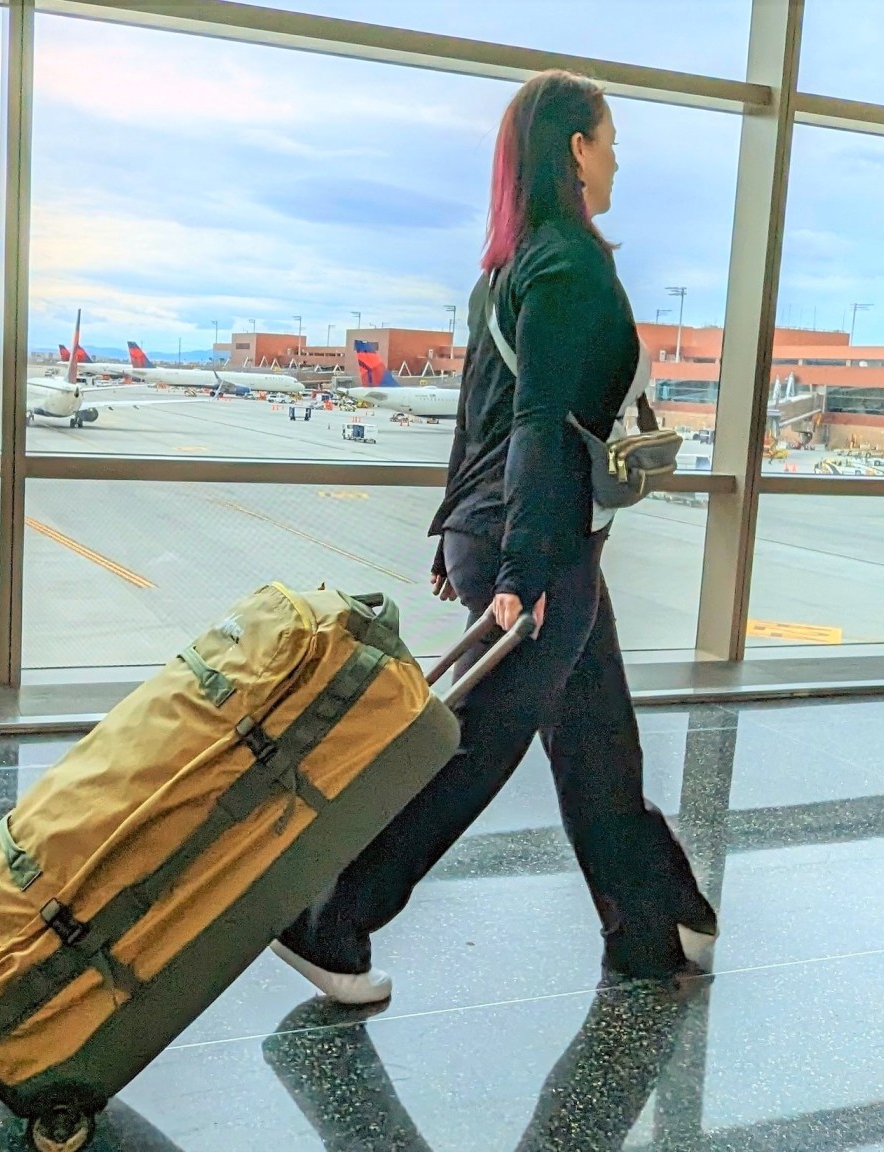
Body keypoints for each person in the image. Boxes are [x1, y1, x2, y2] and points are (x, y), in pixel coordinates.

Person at [272, 69, 718, 1005]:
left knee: (597, 738)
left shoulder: (505, 273)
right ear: (576, 151)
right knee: (479, 745)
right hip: (538, 540)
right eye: (611, 141)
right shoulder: (571, 268)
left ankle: (654, 923)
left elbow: (479, 420)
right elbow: (536, 425)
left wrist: (454, 531)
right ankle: (330, 918)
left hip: (522, 532)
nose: (619, 159)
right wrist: (518, 566)